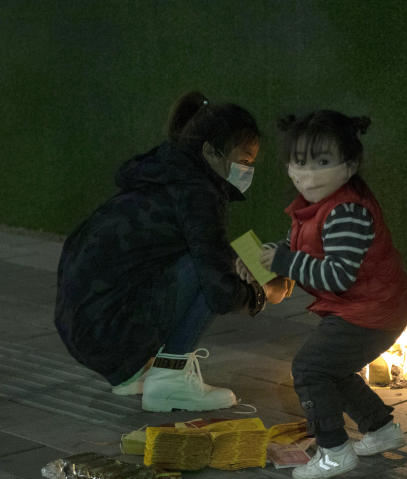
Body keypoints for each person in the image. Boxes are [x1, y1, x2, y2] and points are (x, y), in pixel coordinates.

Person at [55, 91, 291, 412]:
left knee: (213, 261)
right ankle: (170, 380)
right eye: (244, 161)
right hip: (105, 331)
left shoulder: (168, 173)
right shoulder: (196, 192)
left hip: (85, 325)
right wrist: (261, 294)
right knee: (207, 271)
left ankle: (136, 373)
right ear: (210, 151)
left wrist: (247, 269)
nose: (248, 171)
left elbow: (203, 250)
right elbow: (217, 287)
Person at [259, 109, 407, 479]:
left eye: (322, 162)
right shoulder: (322, 204)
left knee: (311, 368)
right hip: (371, 308)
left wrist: (285, 260)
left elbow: (338, 275)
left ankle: (333, 450)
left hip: (369, 312)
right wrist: (274, 255)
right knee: (333, 368)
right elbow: (308, 247)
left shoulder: (346, 210)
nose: (306, 173)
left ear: (350, 165)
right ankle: (380, 429)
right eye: (298, 162)